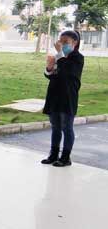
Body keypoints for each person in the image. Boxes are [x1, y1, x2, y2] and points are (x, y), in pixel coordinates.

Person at [41, 30, 85, 167]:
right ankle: (53, 154)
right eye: (61, 41)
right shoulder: (58, 56)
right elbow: (50, 74)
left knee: (67, 127)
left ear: (74, 43)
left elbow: (66, 72)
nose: (62, 44)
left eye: (66, 42)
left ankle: (65, 157)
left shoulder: (77, 58)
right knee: (55, 127)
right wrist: (49, 68)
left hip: (67, 97)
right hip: (54, 95)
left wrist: (60, 54)